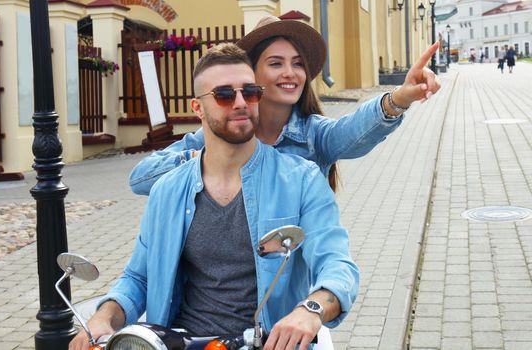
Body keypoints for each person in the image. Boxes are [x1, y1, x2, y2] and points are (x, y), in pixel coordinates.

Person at [69, 43, 359, 350]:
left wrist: (310, 310)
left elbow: (338, 265)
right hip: (179, 341)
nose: (240, 103)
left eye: (249, 92)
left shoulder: (302, 180)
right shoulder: (167, 190)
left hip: (266, 342)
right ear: (197, 108)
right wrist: (105, 316)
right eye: (223, 95)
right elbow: (139, 278)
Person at [128, 16, 441, 195]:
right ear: (251, 73)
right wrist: (209, 158)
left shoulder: (314, 136)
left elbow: (354, 131)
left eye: (297, 64)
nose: (291, 74)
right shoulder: (219, 133)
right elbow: (141, 179)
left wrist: (399, 98)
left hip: (294, 288)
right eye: (276, 63)